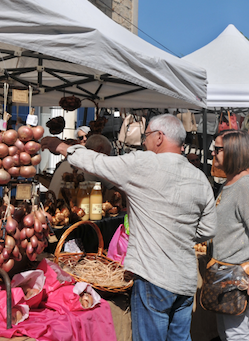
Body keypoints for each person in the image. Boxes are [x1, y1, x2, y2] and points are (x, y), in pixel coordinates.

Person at [41, 114, 217, 341]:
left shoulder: (144, 163)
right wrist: (178, 234)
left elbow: (98, 162)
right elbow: (209, 229)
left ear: (160, 137)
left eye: (147, 136)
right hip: (184, 280)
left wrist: (63, 147)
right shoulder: (199, 177)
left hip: (154, 277)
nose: (144, 141)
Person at [211, 130, 249, 340]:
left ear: (233, 151)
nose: (213, 154)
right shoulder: (231, 182)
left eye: (217, 149)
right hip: (224, 272)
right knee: (227, 333)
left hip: (237, 274)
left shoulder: (245, 185)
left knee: (236, 335)